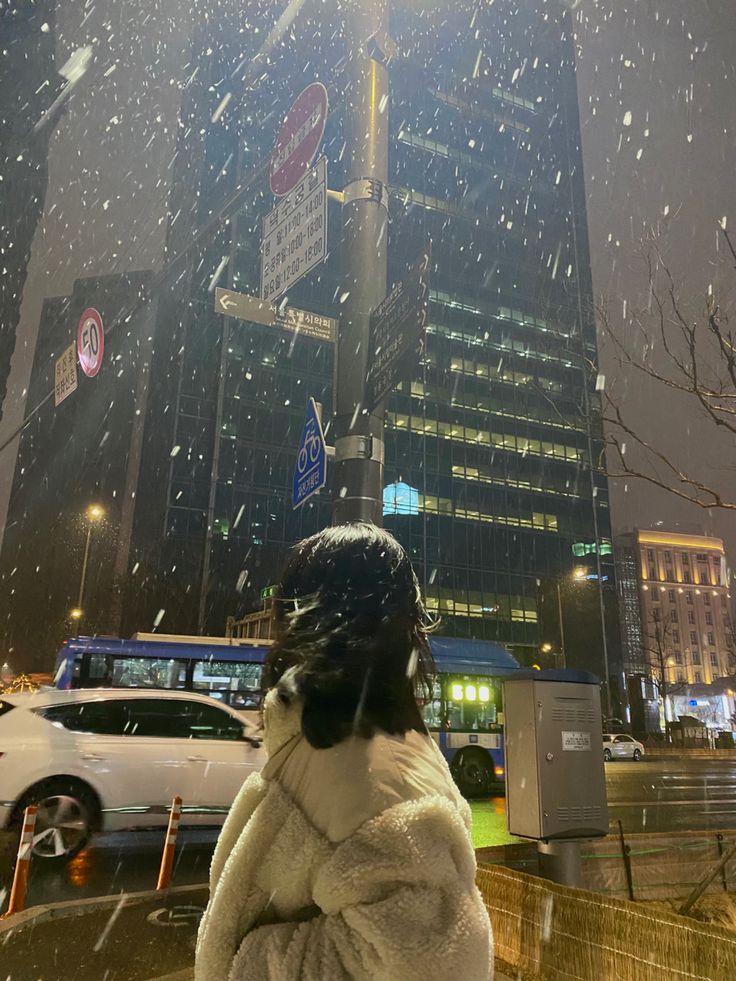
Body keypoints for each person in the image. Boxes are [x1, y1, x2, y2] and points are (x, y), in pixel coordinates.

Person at [195, 523, 493, 981]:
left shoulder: (370, 769)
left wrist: (248, 962)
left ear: (311, 617)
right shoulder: (334, 740)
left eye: (290, 608)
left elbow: (440, 962)